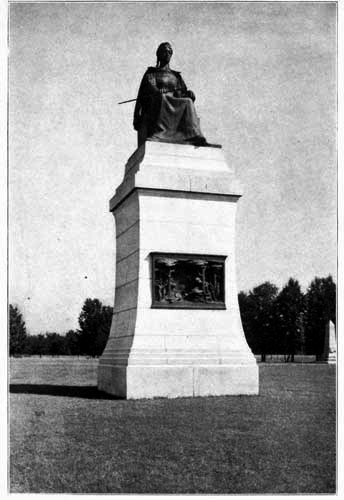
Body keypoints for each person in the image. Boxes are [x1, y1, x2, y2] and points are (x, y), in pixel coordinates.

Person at [133, 42, 207, 147]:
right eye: (165, 51)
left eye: (169, 52)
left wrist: (188, 93)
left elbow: (182, 93)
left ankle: (193, 134)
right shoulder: (152, 73)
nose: (167, 54)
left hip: (174, 102)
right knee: (162, 96)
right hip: (157, 103)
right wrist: (157, 90)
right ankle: (160, 132)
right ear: (159, 54)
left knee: (188, 102)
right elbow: (145, 91)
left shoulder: (176, 76)